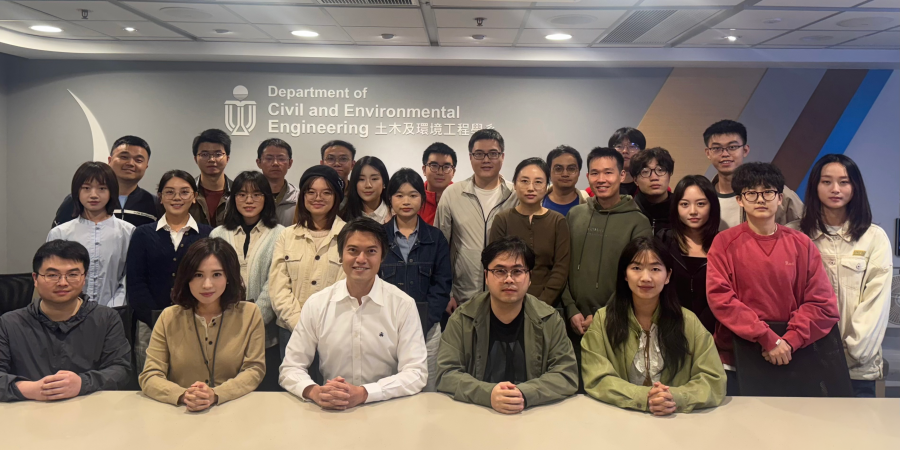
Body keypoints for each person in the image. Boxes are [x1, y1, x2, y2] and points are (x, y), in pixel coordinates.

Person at [706, 162, 839, 396]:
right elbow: (721, 299)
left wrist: (789, 341)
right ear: (740, 200)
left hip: (793, 354)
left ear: (779, 198)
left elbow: (823, 304)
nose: (760, 199)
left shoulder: (801, 244)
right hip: (736, 356)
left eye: (768, 192)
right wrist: (768, 339)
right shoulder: (724, 243)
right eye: (751, 193)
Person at [280, 217, 427, 409]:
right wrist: (314, 391)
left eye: (371, 251)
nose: (361, 259)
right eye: (353, 250)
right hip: (331, 408)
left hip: (386, 406)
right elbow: (291, 367)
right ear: (340, 255)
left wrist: (365, 393)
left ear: (382, 256)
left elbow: (416, 372)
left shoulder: (403, 305)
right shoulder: (317, 304)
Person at [581, 237, 725, 415]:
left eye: (655, 269)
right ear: (625, 275)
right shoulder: (604, 320)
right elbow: (596, 377)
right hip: (619, 417)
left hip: (675, 420)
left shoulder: (688, 322)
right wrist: (644, 398)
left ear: (668, 276)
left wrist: (676, 397)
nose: (646, 277)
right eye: (636, 268)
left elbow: (713, 380)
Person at [790, 154, 893, 398]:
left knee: (857, 434)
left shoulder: (874, 237)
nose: (835, 189)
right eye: (827, 182)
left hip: (857, 367)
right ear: (815, 186)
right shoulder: (795, 234)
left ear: (855, 187)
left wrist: (855, 352)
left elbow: (876, 302)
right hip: (806, 361)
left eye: (844, 182)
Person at [436, 236, 578, 413]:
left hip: (533, 415)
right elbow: (446, 374)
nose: (509, 279)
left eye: (517, 271)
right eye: (500, 271)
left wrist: (524, 394)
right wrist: (488, 394)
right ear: (486, 276)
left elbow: (567, 374)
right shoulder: (463, 318)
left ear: (529, 277)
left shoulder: (549, 319)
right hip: (477, 413)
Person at [562, 147, 651, 389]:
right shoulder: (575, 215)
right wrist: (570, 309)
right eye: (595, 173)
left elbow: (638, 277)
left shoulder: (637, 221)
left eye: (608, 173)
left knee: (611, 394)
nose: (602, 179)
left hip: (616, 323)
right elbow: (562, 266)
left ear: (622, 175)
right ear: (588, 177)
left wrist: (602, 314)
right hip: (572, 324)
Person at [140, 238, 265, 410]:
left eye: (217, 274)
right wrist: (184, 395)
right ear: (187, 278)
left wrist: (216, 394)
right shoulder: (168, 317)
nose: (207, 285)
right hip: (182, 412)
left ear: (229, 276)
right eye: (198, 275)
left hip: (234, 409)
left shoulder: (250, 314)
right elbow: (150, 375)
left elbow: (254, 369)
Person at [0, 240, 131, 402]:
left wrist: (83, 383)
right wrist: (31, 389)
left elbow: (121, 370)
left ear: (84, 278)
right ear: (35, 278)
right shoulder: (9, 323)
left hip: (91, 412)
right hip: (27, 412)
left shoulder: (107, 318)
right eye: (52, 275)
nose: (63, 282)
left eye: (73, 274)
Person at [128, 170, 213, 372]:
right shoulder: (143, 234)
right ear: (160, 196)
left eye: (184, 192)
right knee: (151, 381)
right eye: (170, 192)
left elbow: (211, 280)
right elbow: (135, 281)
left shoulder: (208, 234)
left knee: (193, 382)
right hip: (150, 324)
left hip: (197, 323)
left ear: (194, 197)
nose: (177, 198)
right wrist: (154, 318)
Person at [210, 171, 285, 391]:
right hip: (222, 331)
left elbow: (275, 283)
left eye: (256, 194)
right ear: (233, 199)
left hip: (266, 336)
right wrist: (230, 324)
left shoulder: (281, 234)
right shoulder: (218, 234)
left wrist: (251, 322)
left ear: (267, 199)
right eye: (242, 194)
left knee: (264, 399)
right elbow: (211, 280)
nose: (249, 200)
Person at [379, 168, 451, 392]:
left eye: (413, 195)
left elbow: (442, 285)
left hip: (427, 330)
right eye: (399, 195)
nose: (406, 201)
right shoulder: (379, 237)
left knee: (427, 389)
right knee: (387, 388)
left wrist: (424, 323)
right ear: (390, 199)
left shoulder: (435, 237)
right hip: (385, 329)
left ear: (422, 198)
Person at [435, 129, 518, 314]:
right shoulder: (453, 194)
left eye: (493, 154)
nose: (486, 160)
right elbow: (440, 247)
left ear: (502, 157)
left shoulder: (515, 195)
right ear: (471, 157)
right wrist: (446, 293)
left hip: (507, 295)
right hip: (462, 297)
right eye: (479, 154)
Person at [270, 166, 346, 358]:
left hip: (335, 332)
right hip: (291, 331)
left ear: (336, 196)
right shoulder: (286, 236)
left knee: (332, 387)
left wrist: (323, 327)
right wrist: (299, 324)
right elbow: (278, 287)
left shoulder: (349, 236)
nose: (317, 198)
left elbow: (348, 287)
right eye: (310, 192)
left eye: (326, 192)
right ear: (302, 196)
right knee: (294, 387)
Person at [47, 161, 134, 307]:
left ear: (111, 192)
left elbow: (128, 277)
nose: (93, 195)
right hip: (68, 311)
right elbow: (52, 275)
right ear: (77, 192)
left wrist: (113, 308)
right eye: (86, 188)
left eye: (102, 188)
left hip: (115, 313)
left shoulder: (128, 232)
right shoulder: (60, 233)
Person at [489, 157, 570, 307]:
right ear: (515, 185)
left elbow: (561, 268)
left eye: (538, 182)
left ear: (547, 186)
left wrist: (541, 304)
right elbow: (495, 265)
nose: (531, 188)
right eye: (524, 181)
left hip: (549, 306)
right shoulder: (502, 220)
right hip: (508, 302)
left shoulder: (558, 221)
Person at [703, 120, 803, 230]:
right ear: (708, 153)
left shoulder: (776, 192)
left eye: (732, 147)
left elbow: (806, 229)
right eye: (717, 148)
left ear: (745, 150)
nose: (725, 154)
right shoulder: (703, 197)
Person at [657, 175, 721, 334]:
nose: (693, 211)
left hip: (712, 335)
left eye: (701, 204)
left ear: (712, 206)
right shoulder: (663, 240)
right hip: (669, 331)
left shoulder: (723, 245)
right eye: (685, 204)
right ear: (676, 207)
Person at [52, 135, 157, 228]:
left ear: (146, 165)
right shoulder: (77, 199)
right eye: (124, 157)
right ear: (110, 160)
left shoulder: (156, 203)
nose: (130, 163)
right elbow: (58, 242)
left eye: (138, 160)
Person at [189, 129, 233, 227]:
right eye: (204, 154)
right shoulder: (187, 192)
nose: (212, 159)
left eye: (218, 154)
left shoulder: (238, 191)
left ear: (227, 158)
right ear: (196, 159)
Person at [631, 147, 674, 234]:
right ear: (635, 180)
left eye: (660, 170)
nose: (654, 177)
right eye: (645, 172)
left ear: (669, 175)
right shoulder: (629, 212)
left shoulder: (681, 210)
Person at [256, 138, 298, 227]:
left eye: (281, 159)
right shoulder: (246, 197)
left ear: (290, 163)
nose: (275, 163)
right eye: (269, 158)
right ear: (258, 162)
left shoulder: (300, 198)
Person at [341, 156, 392, 224]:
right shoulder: (343, 218)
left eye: (374, 179)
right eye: (361, 179)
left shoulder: (395, 215)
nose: (368, 185)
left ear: (384, 183)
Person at [544, 145, 588, 217]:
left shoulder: (588, 203)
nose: (565, 174)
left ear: (579, 173)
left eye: (571, 169)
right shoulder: (538, 201)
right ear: (549, 172)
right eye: (558, 169)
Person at [420, 142, 457, 225]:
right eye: (434, 165)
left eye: (446, 167)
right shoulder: (415, 198)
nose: (440, 172)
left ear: (453, 172)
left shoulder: (462, 198)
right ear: (424, 170)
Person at [608, 127, 646, 196]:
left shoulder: (653, 188)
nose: (625, 151)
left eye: (632, 146)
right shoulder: (595, 191)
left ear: (642, 151)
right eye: (619, 146)